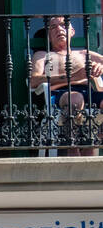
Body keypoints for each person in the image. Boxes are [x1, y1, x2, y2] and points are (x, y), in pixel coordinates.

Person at [30, 15, 103, 155]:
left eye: (64, 25)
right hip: (61, 93)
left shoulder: (83, 54)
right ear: (48, 35)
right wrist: (72, 77)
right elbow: (34, 81)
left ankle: (94, 141)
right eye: (53, 27)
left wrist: (100, 68)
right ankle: (73, 147)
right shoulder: (43, 55)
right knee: (75, 99)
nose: (59, 29)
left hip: (89, 92)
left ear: (72, 31)